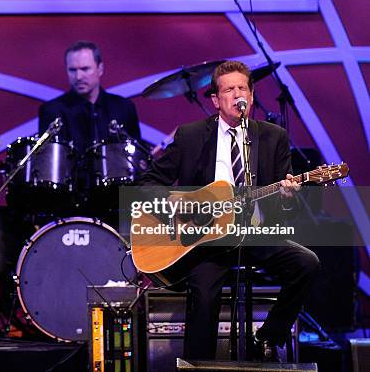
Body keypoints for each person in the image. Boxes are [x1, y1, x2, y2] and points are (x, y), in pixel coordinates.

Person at [140, 60, 319, 361]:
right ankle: (196, 366)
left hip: (256, 234)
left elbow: (286, 207)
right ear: (215, 100)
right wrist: (181, 203)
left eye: (242, 88)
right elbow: (148, 184)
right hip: (207, 242)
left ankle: (268, 336)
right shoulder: (191, 135)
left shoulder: (273, 137)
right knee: (204, 294)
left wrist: (287, 196)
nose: (237, 94)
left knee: (307, 263)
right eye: (229, 89)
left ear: (250, 95)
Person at [38, 41, 143, 217]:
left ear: (100, 69)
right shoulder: (52, 110)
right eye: (72, 70)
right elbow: (48, 165)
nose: (78, 76)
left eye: (85, 69)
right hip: (68, 204)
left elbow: (137, 157)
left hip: (117, 202)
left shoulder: (123, 107)